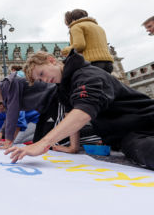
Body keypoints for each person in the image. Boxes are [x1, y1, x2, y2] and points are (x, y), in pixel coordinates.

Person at [8, 49, 154, 170]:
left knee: (145, 152)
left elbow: (83, 112)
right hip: (127, 134)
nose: (45, 80)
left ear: (51, 60)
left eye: (41, 74)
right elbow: (70, 116)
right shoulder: (64, 88)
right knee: (138, 150)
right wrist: (73, 147)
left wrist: (42, 143)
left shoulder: (86, 75)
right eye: (40, 80)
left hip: (145, 121)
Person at [0, 74, 57, 149]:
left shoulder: (10, 86)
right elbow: (8, 117)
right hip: (44, 109)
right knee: (37, 141)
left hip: (52, 100)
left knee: (47, 142)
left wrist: (8, 141)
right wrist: (1, 133)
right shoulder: (6, 92)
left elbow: (13, 114)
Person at [61, 9, 114, 73]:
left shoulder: (76, 26)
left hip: (92, 62)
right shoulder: (98, 27)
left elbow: (80, 45)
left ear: (72, 19)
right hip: (108, 62)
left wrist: (66, 50)